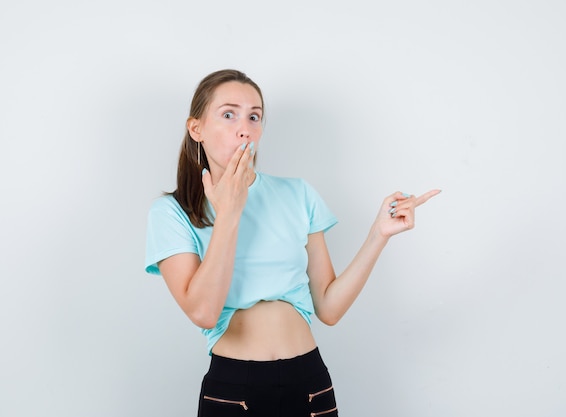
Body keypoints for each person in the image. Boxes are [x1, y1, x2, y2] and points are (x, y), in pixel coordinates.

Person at [145, 69, 440, 417]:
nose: (245, 128)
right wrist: (229, 213)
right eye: (229, 114)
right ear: (197, 129)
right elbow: (203, 311)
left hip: (309, 382)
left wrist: (379, 235)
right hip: (234, 389)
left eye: (254, 116)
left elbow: (328, 308)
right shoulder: (172, 212)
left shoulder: (298, 194)